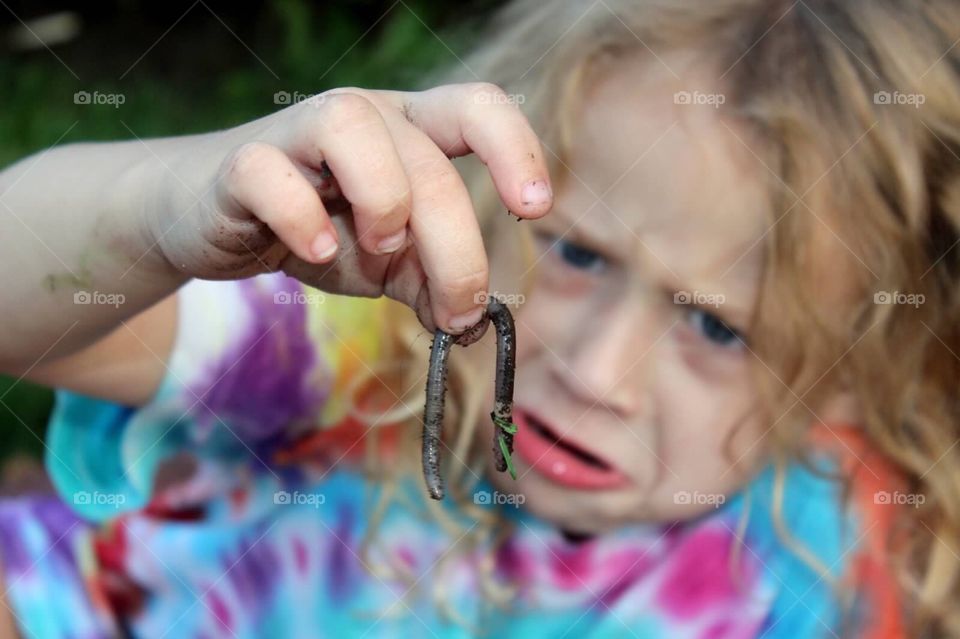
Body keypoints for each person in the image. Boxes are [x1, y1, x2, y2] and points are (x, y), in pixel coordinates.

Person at [1, 0, 958, 636]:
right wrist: (157, 213)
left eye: (717, 328)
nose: (597, 372)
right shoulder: (371, 338)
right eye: (578, 253)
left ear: (849, 368)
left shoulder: (801, 571)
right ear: (492, 197)